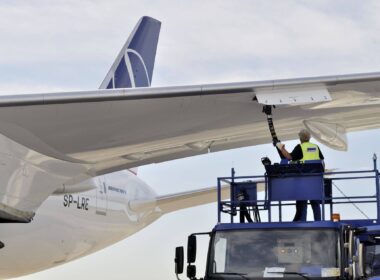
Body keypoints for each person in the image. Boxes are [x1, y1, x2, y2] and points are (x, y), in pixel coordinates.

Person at [275, 129, 324, 221]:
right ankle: (318, 221)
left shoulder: (300, 147)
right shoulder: (316, 147)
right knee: (315, 203)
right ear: (309, 138)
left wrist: (281, 148)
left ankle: (302, 221)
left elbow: (289, 157)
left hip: (303, 180)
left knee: (302, 202)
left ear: (300, 138)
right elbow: (321, 161)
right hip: (315, 180)